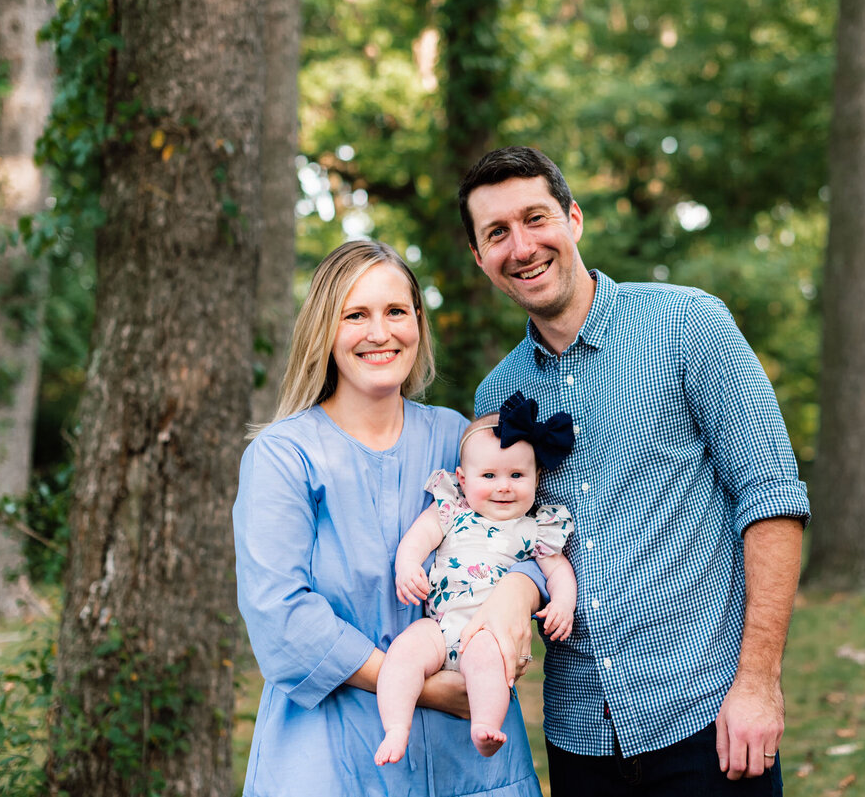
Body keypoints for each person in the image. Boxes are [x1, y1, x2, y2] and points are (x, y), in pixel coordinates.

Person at [455, 147, 812, 796]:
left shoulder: (689, 324)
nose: (522, 245)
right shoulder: (496, 398)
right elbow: (509, 539)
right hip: (578, 735)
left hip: (708, 717)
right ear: (480, 259)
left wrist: (759, 681)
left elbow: (772, 498)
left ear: (574, 218)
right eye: (497, 233)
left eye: (536, 218)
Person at [232, 240, 542, 796]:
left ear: (418, 323)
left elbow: (525, 535)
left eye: (396, 311)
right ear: (325, 330)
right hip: (330, 753)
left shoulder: (458, 438)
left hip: (468, 752)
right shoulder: (284, 456)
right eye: (356, 315)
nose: (380, 332)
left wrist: (520, 589)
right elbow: (280, 615)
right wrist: (421, 688)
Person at [375, 395, 577, 764]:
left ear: (536, 479)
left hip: (486, 633)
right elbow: (417, 540)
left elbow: (558, 570)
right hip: (437, 627)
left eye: (517, 476)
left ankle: (484, 725)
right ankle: (396, 728)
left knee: (488, 663)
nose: (503, 486)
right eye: (489, 476)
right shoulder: (451, 511)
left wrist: (563, 602)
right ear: (463, 480)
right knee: (403, 654)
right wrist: (407, 567)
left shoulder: (534, 528)